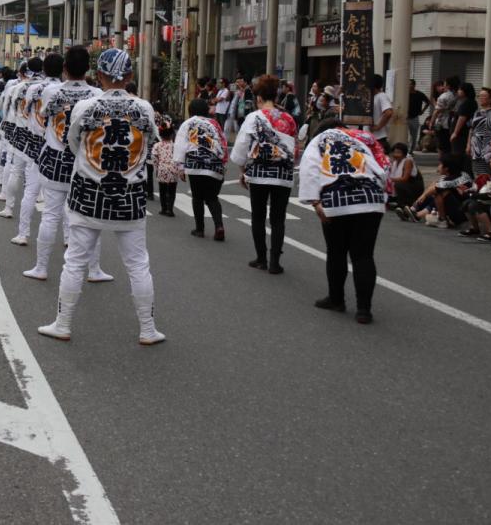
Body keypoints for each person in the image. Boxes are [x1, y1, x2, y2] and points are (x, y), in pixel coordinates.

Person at [37, 48, 164, 345]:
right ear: (130, 76)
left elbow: (71, 142)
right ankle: (147, 328)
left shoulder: (86, 107)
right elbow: (152, 141)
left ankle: (63, 323)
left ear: (100, 76)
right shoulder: (143, 108)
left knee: (75, 261)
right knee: (137, 264)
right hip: (130, 194)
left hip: (88, 192)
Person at [25, 46, 115, 282]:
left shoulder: (51, 92)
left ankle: (41, 267)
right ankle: (94, 269)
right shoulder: (97, 95)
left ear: (65, 68)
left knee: (51, 215)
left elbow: (44, 117)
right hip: (87, 161)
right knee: (90, 219)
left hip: (56, 159)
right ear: (88, 69)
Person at [299, 123, 389, 324]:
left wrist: (315, 201)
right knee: (364, 255)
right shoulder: (361, 139)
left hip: (336, 199)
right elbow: (383, 167)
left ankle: (336, 299)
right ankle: (364, 310)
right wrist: (383, 194)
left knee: (336, 251)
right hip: (369, 197)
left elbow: (310, 169)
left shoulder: (320, 140)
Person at [231, 75, 298, 274]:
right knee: (278, 219)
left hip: (259, 173)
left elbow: (242, 148)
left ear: (259, 97)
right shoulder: (288, 119)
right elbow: (294, 149)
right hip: (283, 174)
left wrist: (243, 171)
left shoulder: (254, 117)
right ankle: (275, 262)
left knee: (258, 216)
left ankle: (261, 258)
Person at [7, 55, 60, 247]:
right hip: (62, 147)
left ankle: (23, 233)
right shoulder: (66, 90)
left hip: (34, 141)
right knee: (66, 199)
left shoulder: (31, 88)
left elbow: (22, 111)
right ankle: (70, 239)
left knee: (30, 188)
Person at [174, 97, 228, 240]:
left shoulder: (188, 123)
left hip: (195, 163)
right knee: (212, 197)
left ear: (191, 111)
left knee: (197, 197)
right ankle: (219, 226)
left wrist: (180, 166)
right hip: (214, 163)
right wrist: (223, 163)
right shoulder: (214, 123)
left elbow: (180, 145)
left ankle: (200, 229)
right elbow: (223, 142)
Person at [0, 58, 43, 220]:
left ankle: (9, 207)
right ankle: (39, 196)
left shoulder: (16, 87)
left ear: (24, 71)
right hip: (41, 135)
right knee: (37, 172)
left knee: (15, 170)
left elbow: (4, 108)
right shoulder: (50, 87)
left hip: (19, 131)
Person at [467, 87, 491, 178]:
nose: (481, 98)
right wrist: (468, 145)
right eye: (480, 96)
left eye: (484, 96)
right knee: (477, 173)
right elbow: (471, 129)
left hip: (488, 147)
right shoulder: (476, 112)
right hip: (475, 147)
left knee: (487, 173)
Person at [388, 142, 423, 209]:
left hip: (413, 186)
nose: (396, 155)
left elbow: (405, 178)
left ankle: (405, 204)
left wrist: (390, 179)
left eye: (398, 153)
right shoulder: (395, 162)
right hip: (405, 185)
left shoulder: (408, 161)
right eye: (394, 152)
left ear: (404, 154)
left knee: (398, 184)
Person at [433, 76, 459, 153]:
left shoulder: (443, 96)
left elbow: (437, 111)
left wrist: (432, 122)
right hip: (453, 122)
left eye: (444, 83)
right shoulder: (458, 95)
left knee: (441, 144)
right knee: (449, 144)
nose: (443, 85)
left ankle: (442, 162)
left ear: (448, 85)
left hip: (441, 123)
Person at [450, 81, 477, 156]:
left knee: (458, 153)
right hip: (463, 132)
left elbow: (462, 118)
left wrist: (455, 133)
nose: (458, 91)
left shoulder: (467, 103)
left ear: (465, 91)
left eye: (460, 89)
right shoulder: (469, 102)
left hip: (461, 133)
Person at [369, 74, 394, 152]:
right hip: (370, 136)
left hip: (378, 137)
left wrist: (378, 127)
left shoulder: (381, 96)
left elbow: (389, 112)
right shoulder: (372, 97)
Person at [406, 79, 430, 149]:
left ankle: (411, 150)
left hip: (414, 117)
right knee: (403, 135)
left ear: (414, 85)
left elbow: (428, 102)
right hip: (405, 117)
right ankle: (406, 150)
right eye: (408, 84)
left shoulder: (419, 94)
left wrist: (423, 111)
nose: (409, 85)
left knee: (413, 135)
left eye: (410, 84)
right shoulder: (405, 94)